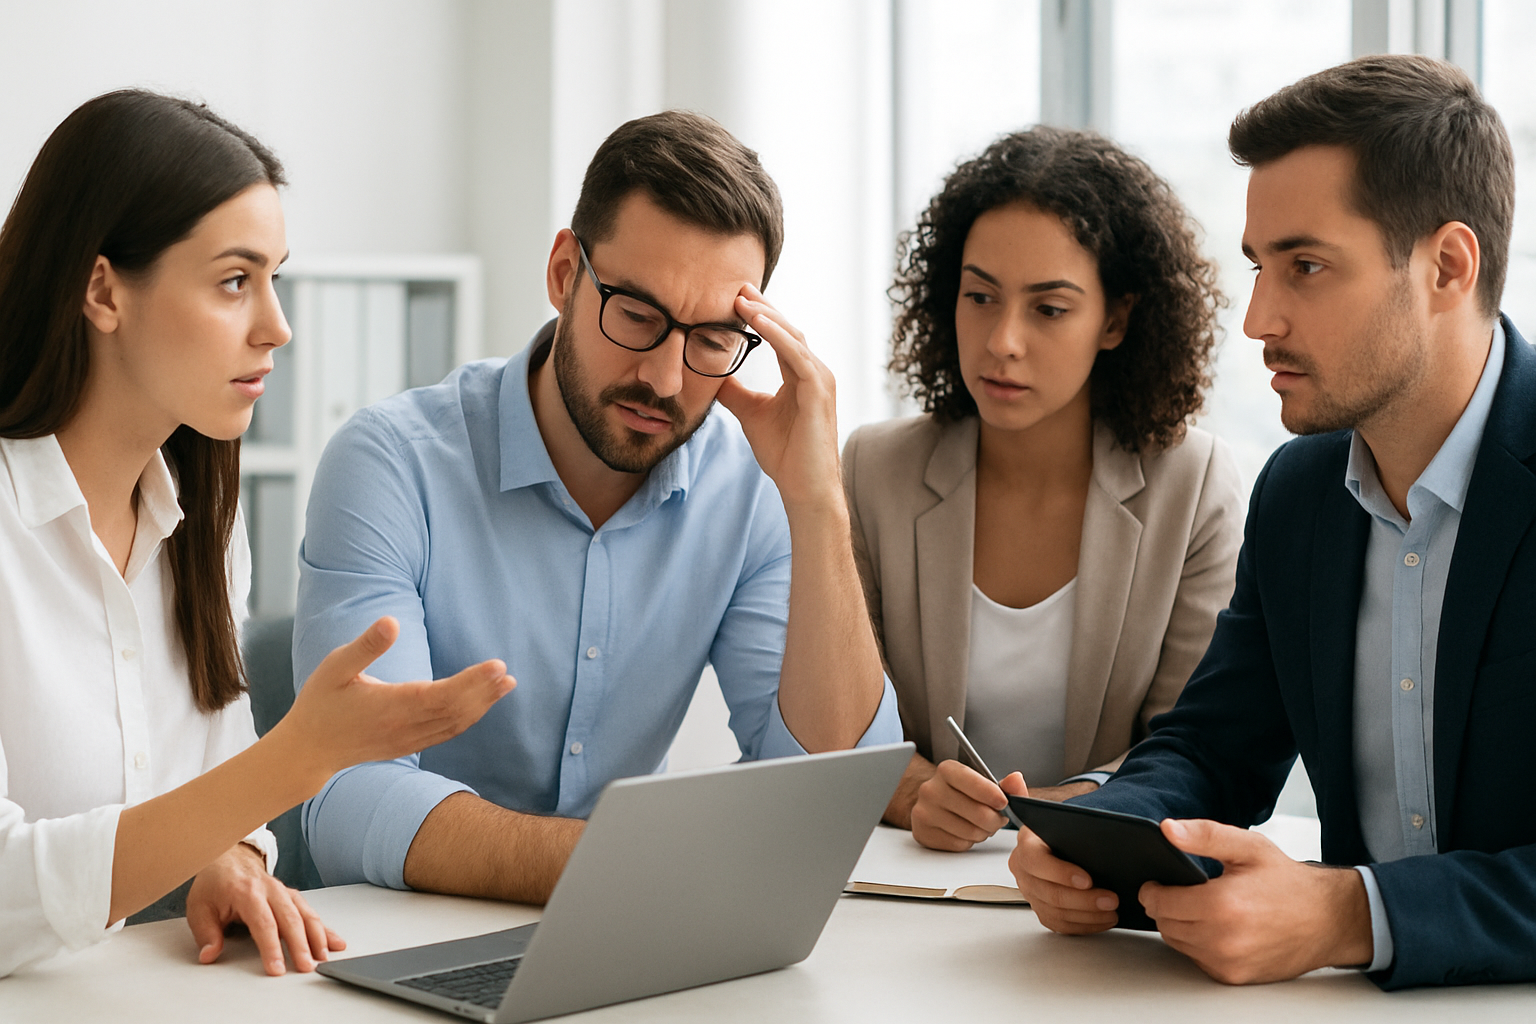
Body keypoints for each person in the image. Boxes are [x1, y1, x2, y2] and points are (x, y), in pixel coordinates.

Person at [1009, 55, 1536, 990]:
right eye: (1259, 268)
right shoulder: (1299, 492)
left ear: (1448, 266)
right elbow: (1214, 746)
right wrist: (1101, 831)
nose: (1258, 318)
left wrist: (1349, 913)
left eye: (1305, 267)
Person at [294, 110, 901, 901]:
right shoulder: (392, 464)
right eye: (639, 317)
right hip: (396, 939)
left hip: (622, 934)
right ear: (563, 273)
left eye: (713, 338)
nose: (666, 379)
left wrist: (818, 504)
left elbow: (831, 790)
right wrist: (629, 869)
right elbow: (344, 800)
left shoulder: (750, 483)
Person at [0, 90, 514, 979]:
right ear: (101, 290)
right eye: (235, 281)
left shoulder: (199, 526)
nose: (277, 328)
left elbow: (211, 793)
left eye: (275, 278)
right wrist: (301, 758)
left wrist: (228, 859)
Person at [844, 128, 1244, 852]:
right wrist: (912, 794)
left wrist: (1070, 807)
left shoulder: (1194, 486)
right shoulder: (876, 471)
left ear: (1116, 320)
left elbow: (1192, 743)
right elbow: (843, 723)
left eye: (1048, 309)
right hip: (910, 878)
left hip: (1108, 875)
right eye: (980, 296)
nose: (1002, 340)